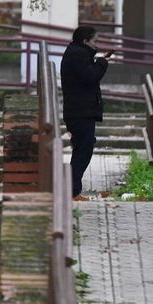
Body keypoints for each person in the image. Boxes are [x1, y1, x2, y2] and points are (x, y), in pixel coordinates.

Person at [61, 25, 109, 199]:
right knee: (83, 150)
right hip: (80, 112)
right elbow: (90, 77)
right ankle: (72, 191)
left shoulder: (76, 53)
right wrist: (102, 63)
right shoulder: (78, 55)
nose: (97, 45)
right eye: (95, 41)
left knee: (82, 149)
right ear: (85, 41)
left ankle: (72, 189)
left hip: (80, 111)